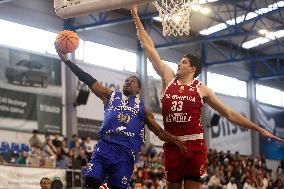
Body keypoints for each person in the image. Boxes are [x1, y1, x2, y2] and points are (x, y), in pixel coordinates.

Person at [131, 5, 284, 189]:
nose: (179, 64)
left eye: (184, 62)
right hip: (172, 143)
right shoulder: (168, 77)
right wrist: (136, 17)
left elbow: (228, 113)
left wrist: (258, 128)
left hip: (194, 145)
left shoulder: (202, 89)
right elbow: (149, 48)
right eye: (180, 62)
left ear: (193, 68)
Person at [55, 46, 187, 189]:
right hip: (104, 147)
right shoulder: (111, 96)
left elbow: (160, 133)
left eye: (132, 81)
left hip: (125, 154)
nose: (128, 82)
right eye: (126, 80)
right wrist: (67, 61)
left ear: (138, 90)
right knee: (90, 183)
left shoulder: (143, 109)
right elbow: (89, 80)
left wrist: (175, 140)